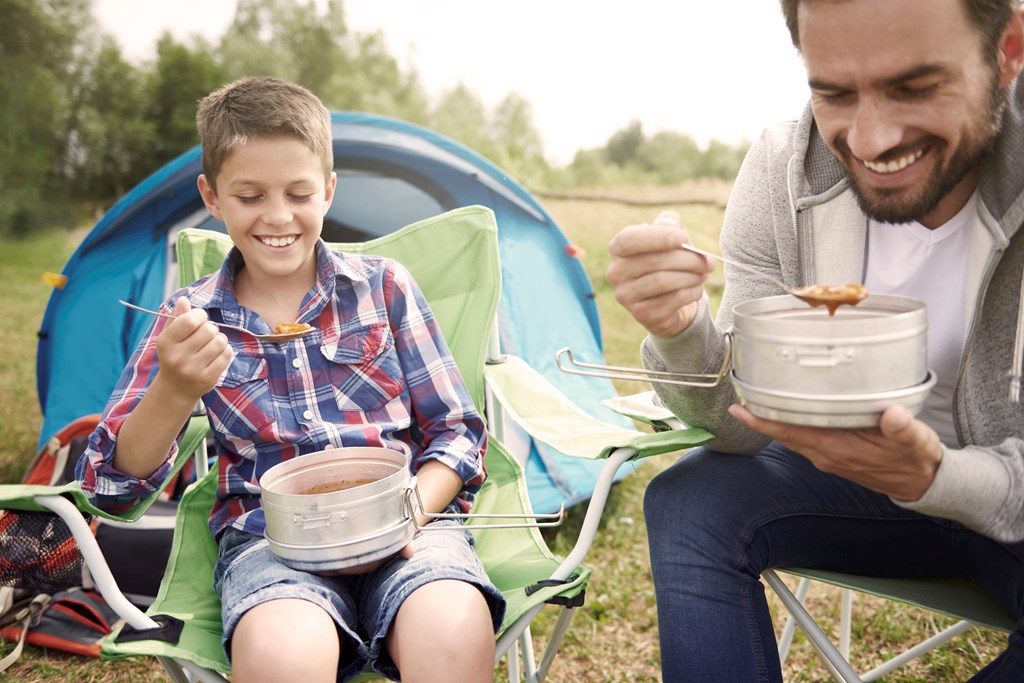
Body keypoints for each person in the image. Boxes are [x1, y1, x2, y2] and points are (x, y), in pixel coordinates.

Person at [606, 0, 1024, 680]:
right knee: (690, 499)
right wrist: (681, 332)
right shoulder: (784, 170)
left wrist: (938, 476)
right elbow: (740, 424)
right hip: (863, 488)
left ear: (1007, 49)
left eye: (914, 86)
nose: (870, 139)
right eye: (834, 93)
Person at [77, 76, 504, 683]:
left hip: (407, 526)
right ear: (213, 195)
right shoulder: (189, 318)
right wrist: (174, 390)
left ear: (328, 191)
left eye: (298, 193)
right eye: (249, 196)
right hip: (269, 545)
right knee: (283, 653)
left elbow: (458, 432)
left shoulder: (385, 289)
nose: (277, 216)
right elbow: (109, 489)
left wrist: (407, 514)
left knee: (450, 623)